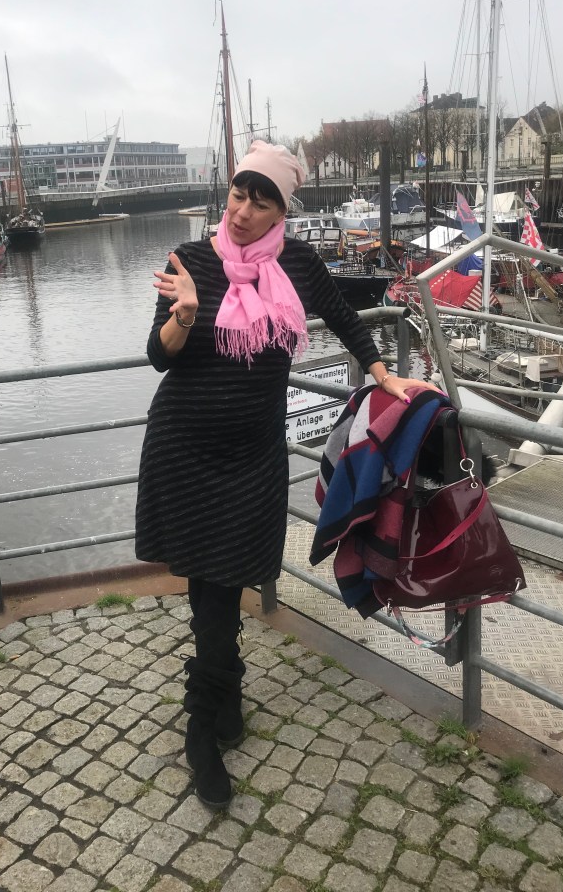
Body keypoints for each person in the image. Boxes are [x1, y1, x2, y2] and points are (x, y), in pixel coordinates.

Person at [135, 140, 438, 809]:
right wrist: (184, 315)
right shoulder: (189, 260)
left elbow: (345, 318)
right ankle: (203, 724)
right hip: (184, 447)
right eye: (237, 195)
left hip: (253, 456)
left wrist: (385, 376)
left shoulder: (297, 263)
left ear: (281, 211)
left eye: (260, 201)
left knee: (224, 578)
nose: (242, 212)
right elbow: (158, 356)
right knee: (212, 585)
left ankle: (224, 688)